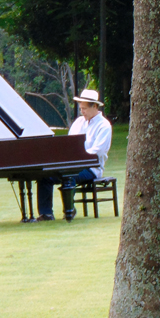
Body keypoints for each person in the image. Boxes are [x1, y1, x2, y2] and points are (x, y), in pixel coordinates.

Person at [35, 88, 112, 220]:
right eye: (81, 108)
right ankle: (46, 213)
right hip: (72, 164)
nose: (82, 111)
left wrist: (77, 157)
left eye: (85, 108)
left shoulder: (104, 126)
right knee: (45, 176)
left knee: (69, 177)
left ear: (94, 106)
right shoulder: (78, 122)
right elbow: (69, 143)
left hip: (92, 168)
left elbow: (97, 151)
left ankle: (69, 210)